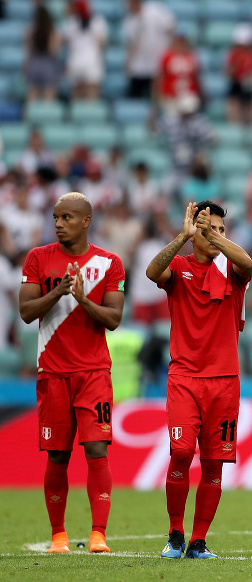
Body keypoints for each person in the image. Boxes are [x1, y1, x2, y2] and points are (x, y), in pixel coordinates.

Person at [18, 192, 126, 554]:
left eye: (66, 217)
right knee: (58, 455)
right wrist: (60, 292)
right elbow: (26, 311)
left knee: (97, 448)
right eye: (55, 217)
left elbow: (113, 319)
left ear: (85, 220)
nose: (58, 224)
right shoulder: (38, 259)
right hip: (53, 372)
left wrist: (82, 299)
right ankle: (59, 536)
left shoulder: (110, 263)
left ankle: (98, 534)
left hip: (94, 371)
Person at [145, 201, 252, 559]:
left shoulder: (233, 270)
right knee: (180, 453)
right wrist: (183, 236)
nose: (216, 235)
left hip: (224, 382)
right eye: (210, 229)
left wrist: (214, 238)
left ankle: (198, 540)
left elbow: (248, 263)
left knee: (214, 463)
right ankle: (175, 533)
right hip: (184, 378)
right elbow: (150, 272)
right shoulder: (178, 267)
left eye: (222, 230)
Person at [123, 0, 175, 99]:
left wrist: (170, 53)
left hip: (157, 63)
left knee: (157, 95)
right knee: (135, 97)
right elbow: (131, 45)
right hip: (139, 66)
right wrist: (128, 63)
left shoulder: (155, 11)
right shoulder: (129, 21)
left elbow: (170, 28)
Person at [61, 0, 108, 101]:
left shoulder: (71, 22)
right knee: (92, 94)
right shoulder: (98, 21)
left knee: (77, 94)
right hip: (92, 61)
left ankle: (77, 115)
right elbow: (102, 45)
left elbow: (64, 41)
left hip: (76, 61)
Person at [225, 23, 252, 125]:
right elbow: (228, 72)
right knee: (234, 107)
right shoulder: (234, 54)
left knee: (248, 111)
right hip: (236, 83)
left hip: (248, 85)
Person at [24, 3, 61, 102]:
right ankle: (47, 115)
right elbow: (54, 52)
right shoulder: (52, 31)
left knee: (33, 91)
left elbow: (29, 51)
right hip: (48, 64)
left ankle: (30, 115)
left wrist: (27, 67)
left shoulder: (31, 30)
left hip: (35, 63)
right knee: (49, 94)